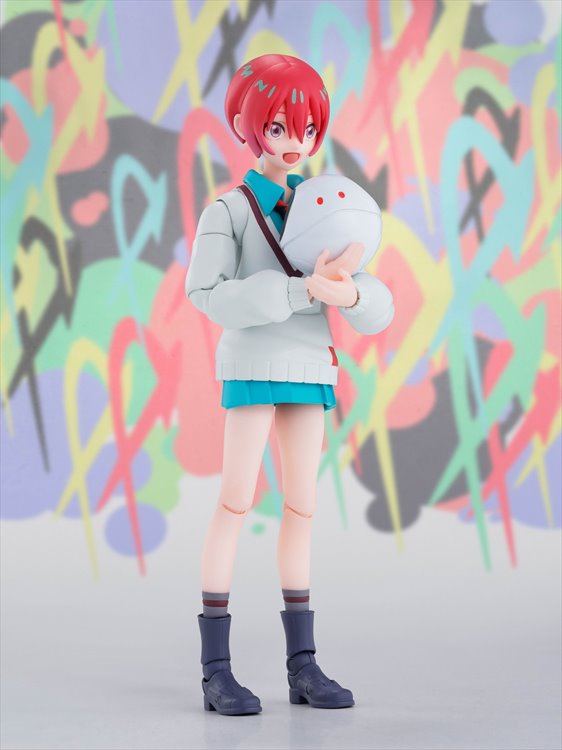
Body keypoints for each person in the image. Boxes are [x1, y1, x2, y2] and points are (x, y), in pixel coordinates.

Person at [185, 53, 394, 715]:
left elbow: (376, 301)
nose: (294, 141)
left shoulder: (326, 205)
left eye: (306, 129)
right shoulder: (230, 209)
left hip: (308, 366)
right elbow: (206, 292)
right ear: (249, 127)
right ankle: (215, 670)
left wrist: (349, 292)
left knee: (302, 508)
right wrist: (298, 290)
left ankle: (303, 664)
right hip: (253, 364)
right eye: (278, 127)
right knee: (235, 503)